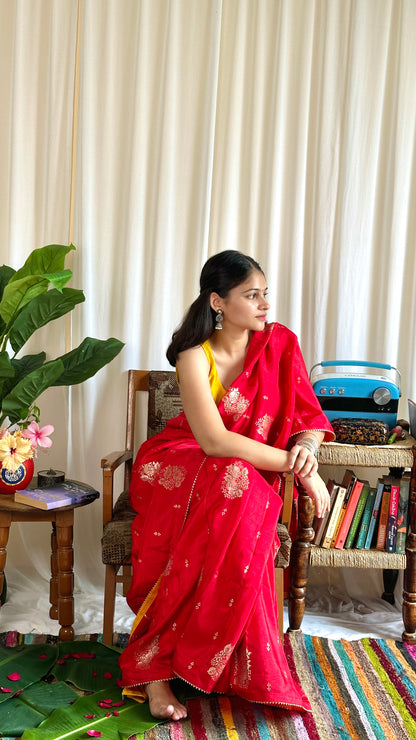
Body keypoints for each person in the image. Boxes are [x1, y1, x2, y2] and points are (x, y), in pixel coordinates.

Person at [119, 250, 334, 720]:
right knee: (241, 483)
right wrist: (301, 470)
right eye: (251, 295)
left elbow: (307, 415)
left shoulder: (280, 344)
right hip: (178, 464)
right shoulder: (194, 357)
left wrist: (309, 449)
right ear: (218, 301)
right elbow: (214, 441)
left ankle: (221, 657)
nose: (264, 305)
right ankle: (153, 672)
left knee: (244, 493)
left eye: (265, 294)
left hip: (242, 472)